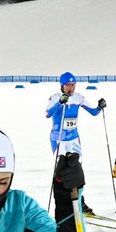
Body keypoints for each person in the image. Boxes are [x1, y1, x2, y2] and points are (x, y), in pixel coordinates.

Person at [44, 73, 108, 217]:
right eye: (68, 85)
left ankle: (80, 202)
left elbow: (93, 112)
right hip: (58, 139)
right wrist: (60, 102)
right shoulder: (55, 97)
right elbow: (48, 114)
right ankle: (63, 202)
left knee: (76, 169)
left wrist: (99, 107)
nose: (71, 88)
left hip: (73, 139)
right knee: (61, 170)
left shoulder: (78, 97)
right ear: (62, 85)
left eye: (73, 85)